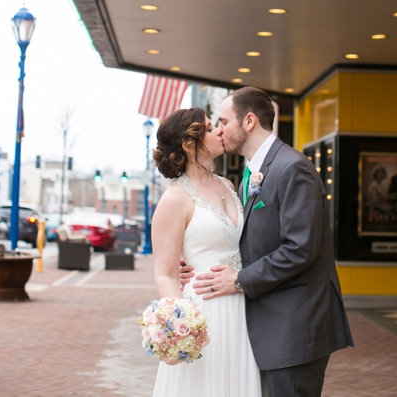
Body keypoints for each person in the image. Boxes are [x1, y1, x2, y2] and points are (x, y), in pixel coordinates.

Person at [193, 87, 353, 397]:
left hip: (296, 324)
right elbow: (248, 241)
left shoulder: (293, 168)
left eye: (224, 121)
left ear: (249, 121)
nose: (220, 129)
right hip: (272, 324)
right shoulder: (252, 173)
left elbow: (300, 249)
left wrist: (239, 280)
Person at [151, 107, 261, 397]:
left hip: (241, 305)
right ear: (190, 145)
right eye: (210, 129)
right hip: (205, 309)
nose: (219, 132)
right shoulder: (175, 198)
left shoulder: (227, 185)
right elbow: (164, 272)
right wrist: (183, 324)